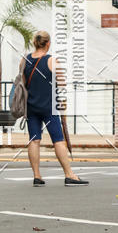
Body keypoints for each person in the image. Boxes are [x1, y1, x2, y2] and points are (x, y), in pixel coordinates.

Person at [24, 31, 88, 187]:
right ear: (48, 43)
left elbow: (23, 83)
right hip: (49, 107)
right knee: (58, 140)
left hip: (31, 107)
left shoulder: (24, 60)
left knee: (34, 140)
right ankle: (69, 174)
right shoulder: (52, 61)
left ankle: (37, 176)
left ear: (34, 43)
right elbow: (61, 85)